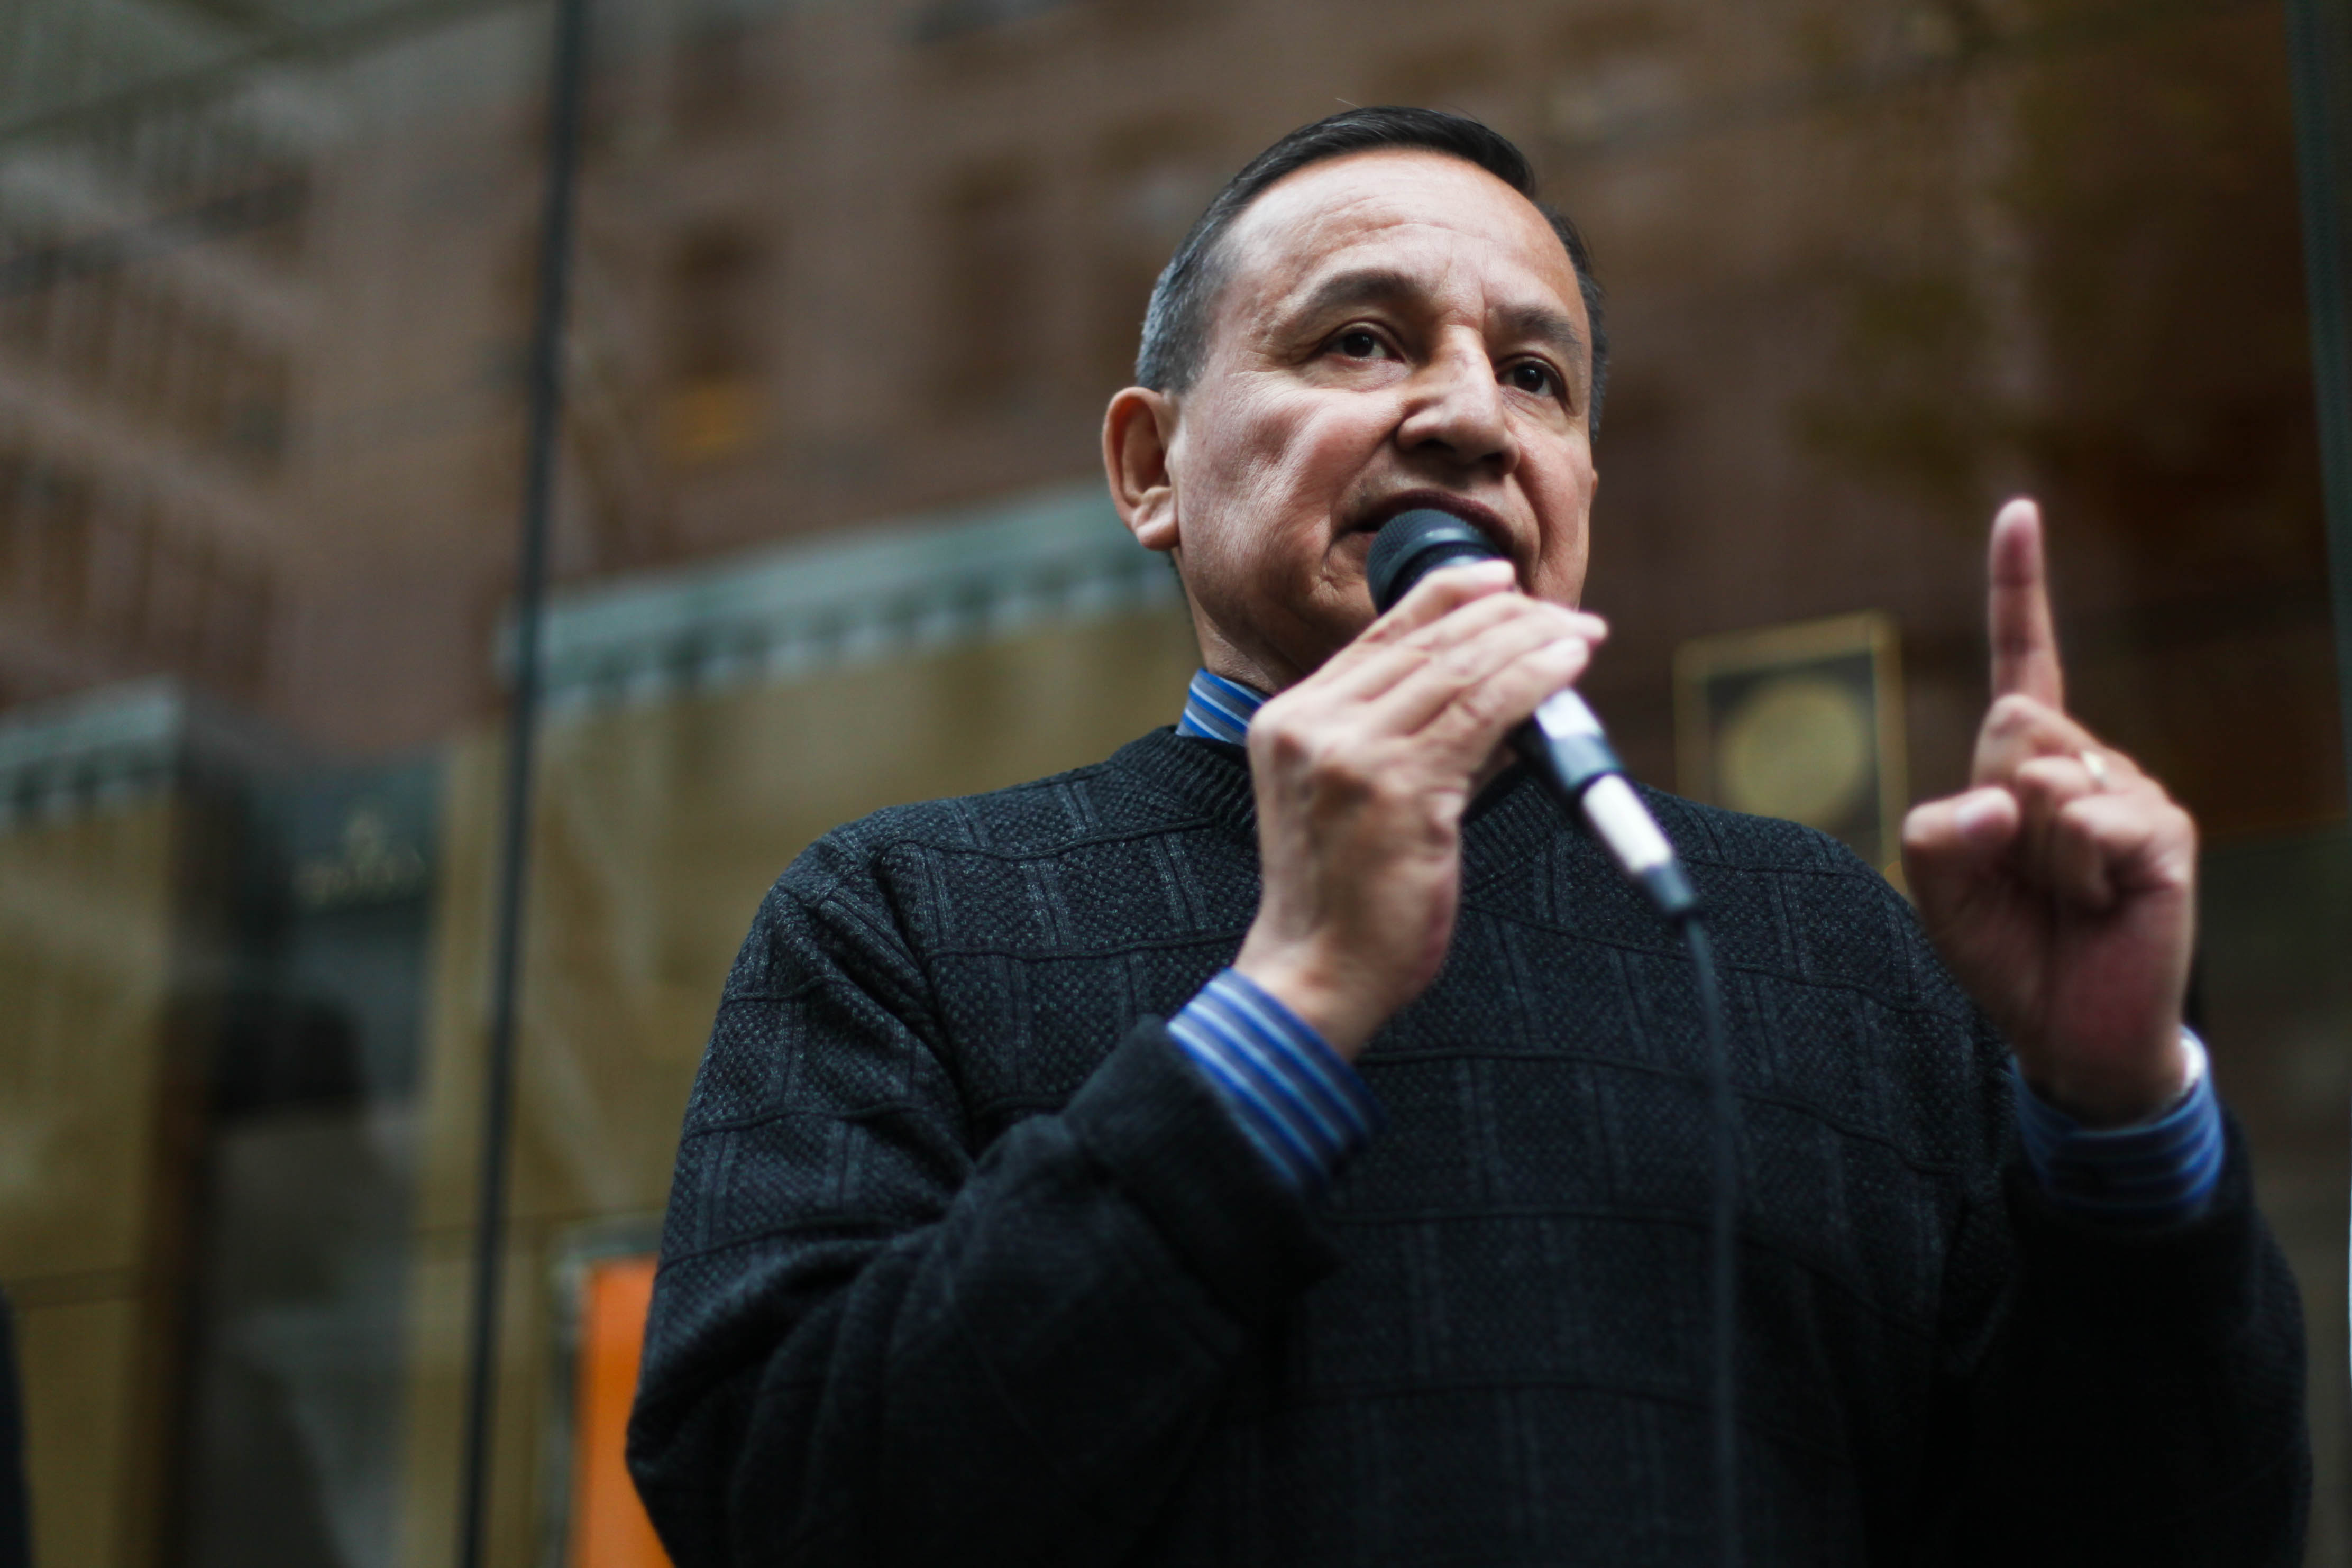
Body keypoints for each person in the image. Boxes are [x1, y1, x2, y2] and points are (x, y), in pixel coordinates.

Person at [627, 107, 2308, 1565]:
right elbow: (777, 1503)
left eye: (1536, 374)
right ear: (1152, 468)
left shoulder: (1832, 939)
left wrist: (2123, 1125)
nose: (1467, 419)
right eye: (1358, 340)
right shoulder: (905, 917)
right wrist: (1281, 1014)